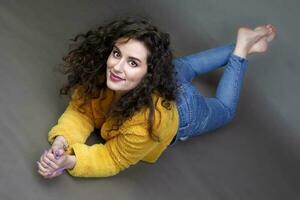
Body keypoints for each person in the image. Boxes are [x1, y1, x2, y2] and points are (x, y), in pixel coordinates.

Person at [37, 16, 276, 179]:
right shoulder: (106, 75)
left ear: (149, 73)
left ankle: (241, 51)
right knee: (184, 66)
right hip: (161, 79)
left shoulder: (148, 123)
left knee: (225, 110)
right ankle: (244, 42)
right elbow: (81, 111)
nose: (117, 68)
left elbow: (113, 157)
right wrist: (62, 143)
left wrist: (71, 162)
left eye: (132, 62)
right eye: (117, 54)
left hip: (183, 111)